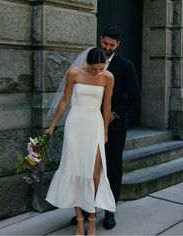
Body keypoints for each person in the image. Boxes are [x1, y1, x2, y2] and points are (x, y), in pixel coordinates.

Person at [70, 26, 141, 230]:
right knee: (85, 168)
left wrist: (114, 114)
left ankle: (109, 211)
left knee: (111, 168)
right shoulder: (87, 61)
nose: (108, 47)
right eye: (105, 43)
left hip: (114, 127)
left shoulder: (126, 66)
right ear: (100, 39)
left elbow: (134, 97)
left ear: (118, 45)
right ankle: (83, 210)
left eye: (112, 45)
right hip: (87, 126)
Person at [45, 48, 116, 236]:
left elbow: (107, 106)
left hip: (95, 126)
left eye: (101, 68)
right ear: (87, 62)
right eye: (95, 69)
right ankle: (79, 221)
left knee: (94, 175)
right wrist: (52, 125)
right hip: (75, 126)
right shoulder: (74, 73)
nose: (98, 72)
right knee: (75, 172)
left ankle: (91, 219)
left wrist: (106, 131)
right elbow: (64, 101)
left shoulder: (108, 77)